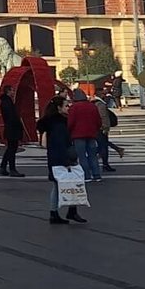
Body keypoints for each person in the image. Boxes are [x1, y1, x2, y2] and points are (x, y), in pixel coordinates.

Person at [38, 95, 84, 224]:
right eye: (66, 106)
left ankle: (58, 212)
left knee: (59, 185)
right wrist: (66, 161)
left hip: (55, 158)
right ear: (59, 108)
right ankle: (68, 211)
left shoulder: (53, 122)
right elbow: (60, 144)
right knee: (70, 183)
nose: (68, 108)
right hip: (61, 159)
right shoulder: (59, 124)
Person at [66, 89, 104, 182]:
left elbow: (70, 122)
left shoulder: (74, 107)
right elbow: (98, 121)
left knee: (81, 156)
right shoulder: (92, 106)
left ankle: (87, 176)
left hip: (78, 135)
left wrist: (69, 132)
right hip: (91, 134)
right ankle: (97, 175)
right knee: (93, 155)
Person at [0, 83, 25, 176]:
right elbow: (11, 116)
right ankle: (12, 169)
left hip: (10, 128)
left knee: (10, 148)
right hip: (12, 128)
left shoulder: (6, 101)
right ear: (8, 91)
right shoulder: (7, 102)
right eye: (12, 90)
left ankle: (3, 167)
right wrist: (18, 125)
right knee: (12, 149)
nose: (13, 92)